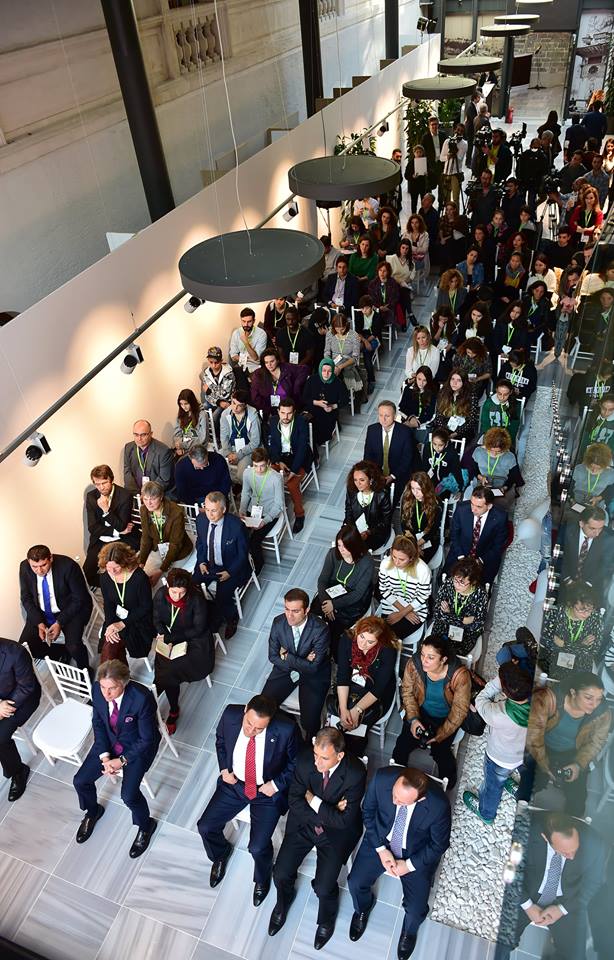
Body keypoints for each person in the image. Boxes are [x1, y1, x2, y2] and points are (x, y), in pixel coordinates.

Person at [197, 695, 301, 904]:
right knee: (205, 826)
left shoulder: (286, 730)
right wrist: (224, 769)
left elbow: (297, 763)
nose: (251, 731)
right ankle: (220, 853)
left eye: (259, 729)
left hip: (266, 792)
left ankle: (262, 878)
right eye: (249, 724)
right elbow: (221, 741)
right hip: (234, 784)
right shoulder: (230, 714)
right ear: (245, 710)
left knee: (257, 847)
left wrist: (276, 785)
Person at [269, 727, 366, 949]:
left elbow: (343, 821)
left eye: (324, 758)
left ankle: (326, 919)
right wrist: (329, 811)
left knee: (324, 886)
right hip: (304, 824)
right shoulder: (305, 761)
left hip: (336, 833)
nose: (317, 763)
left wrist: (313, 800)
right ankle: (284, 900)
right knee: (280, 872)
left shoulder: (355, 773)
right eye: (315, 755)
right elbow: (294, 800)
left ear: (339, 756)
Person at [347, 765, 451, 960]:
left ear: (420, 799)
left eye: (401, 801)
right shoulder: (382, 778)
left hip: (415, 854)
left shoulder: (438, 806)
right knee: (355, 882)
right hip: (380, 841)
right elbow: (368, 811)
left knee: (416, 909)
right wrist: (380, 849)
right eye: (394, 795)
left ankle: (408, 932)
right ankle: (363, 908)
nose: (394, 801)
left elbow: (439, 845)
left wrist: (409, 865)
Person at [72, 659, 160, 857]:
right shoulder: (97, 690)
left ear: (124, 683)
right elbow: (98, 723)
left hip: (136, 748)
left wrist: (121, 760)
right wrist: (104, 756)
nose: (106, 693)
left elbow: (147, 739)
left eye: (111, 688)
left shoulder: (141, 698)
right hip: (108, 743)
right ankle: (93, 811)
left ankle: (145, 825)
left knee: (129, 795)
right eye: (103, 687)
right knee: (80, 781)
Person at [495, 812, 605, 960]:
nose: (572, 856)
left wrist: (562, 909)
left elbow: (593, 883)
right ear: (545, 838)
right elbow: (510, 871)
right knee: (500, 945)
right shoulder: (525, 831)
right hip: (525, 894)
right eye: (565, 852)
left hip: (567, 901)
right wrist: (527, 905)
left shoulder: (595, 844)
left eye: (575, 849)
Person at [522, 671, 611, 816]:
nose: (594, 705)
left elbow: (596, 742)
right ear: (573, 693)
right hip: (542, 748)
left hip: (573, 753)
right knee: (527, 788)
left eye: (599, 699)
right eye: (588, 698)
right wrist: (544, 764)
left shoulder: (602, 713)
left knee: (577, 803)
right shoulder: (549, 699)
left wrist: (578, 764)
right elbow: (534, 735)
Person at [392, 635, 470, 788]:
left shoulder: (459, 675)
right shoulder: (414, 664)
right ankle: (397, 781)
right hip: (420, 711)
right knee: (401, 745)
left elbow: (459, 710)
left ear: (443, 659)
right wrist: (414, 719)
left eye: (431, 657)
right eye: (422, 654)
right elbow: (407, 692)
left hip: (446, 718)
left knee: (441, 753)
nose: (424, 660)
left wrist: (440, 735)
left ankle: (446, 786)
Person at [462, 662, 531, 825]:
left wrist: (496, 683)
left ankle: (486, 813)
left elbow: (480, 701)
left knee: (492, 787)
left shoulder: (499, 713)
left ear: (505, 691)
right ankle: (520, 792)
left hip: (500, 758)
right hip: (525, 753)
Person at [261, 588, 330, 742]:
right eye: (287, 609)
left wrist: (286, 655)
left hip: (314, 675)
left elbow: (313, 667)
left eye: (295, 611)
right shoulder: (278, 623)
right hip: (285, 670)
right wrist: (303, 660)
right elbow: (273, 656)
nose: (289, 615)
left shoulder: (320, 629)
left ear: (306, 610)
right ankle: (284, 730)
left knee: (309, 720)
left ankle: (310, 743)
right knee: (264, 707)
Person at [153, 568, 214, 735]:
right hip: (171, 638)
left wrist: (171, 637)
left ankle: (167, 705)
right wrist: (162, 635)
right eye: (174, 592)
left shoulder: (196, 599)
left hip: (195, 641)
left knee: (170, 670)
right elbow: (156, 620)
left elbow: (198, 629)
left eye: (181, 593)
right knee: (166, 667)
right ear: (168, 587)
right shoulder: (160, 595)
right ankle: (163, 699)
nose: (177, 597)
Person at [329, 616, 400, 753]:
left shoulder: (387, 650)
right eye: (361, 637)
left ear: (379, 641)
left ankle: (353, 751)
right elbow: (343, 675)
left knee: (359, 725)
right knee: (340, 714)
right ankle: (337, 750)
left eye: (370, 641)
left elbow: (378, 688)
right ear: (357, 631)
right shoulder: (347, 639)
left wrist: (357, 710)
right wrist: (343, 709)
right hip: (352, 683)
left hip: (376, 691)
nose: (363, 644)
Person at [19, 544, 93, 668]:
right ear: (28, 562)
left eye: (43, 565)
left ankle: (85, 669)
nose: (39, 571)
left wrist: (59, 622)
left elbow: (79, 599)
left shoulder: (68, 566)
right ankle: (61, 654)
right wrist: (39, 622)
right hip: (41, 611)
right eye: (34, 567)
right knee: (25, 647)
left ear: (51, 558)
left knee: (74, 646)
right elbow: (26, 598)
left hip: (70, 608)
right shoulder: (24, 567)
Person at [194, 491, 250, 636]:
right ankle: (204, 615)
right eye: (207, 509)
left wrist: (230, 572)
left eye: (213, 510)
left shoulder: (236, 526)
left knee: (222, 597)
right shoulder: (201, 520)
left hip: (230, 567)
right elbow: (200, 543)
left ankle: (231, 617)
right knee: (192, 587)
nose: (209, 514)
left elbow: (243, 554)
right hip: (207, 564)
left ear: (223, 509)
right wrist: (201, 561)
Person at [312, 526, 374, 653]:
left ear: (354, 545)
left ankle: (333, 653)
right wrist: (326, 603)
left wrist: (334, 605)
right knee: (314, 617)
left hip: (353, 601)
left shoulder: (367, 562)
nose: (341, 550)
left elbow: (358, 593)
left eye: (345, 546)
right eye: (339, 545)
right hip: (331, 594)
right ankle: (316, 647)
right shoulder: (333, 554)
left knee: (336, 628)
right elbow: (322, 580)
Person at [83, 464, 139, 587]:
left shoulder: (125, 495)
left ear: (111, 479)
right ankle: (112, 585)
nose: (101, 487)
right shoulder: (91, 496)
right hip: (101, 539)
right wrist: (116, 531)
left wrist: (106, 510)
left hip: (123, 539)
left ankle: (122, 584)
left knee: (124, 568)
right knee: (87, 575)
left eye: (104, 483)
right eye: (97, 484)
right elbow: (92, 528)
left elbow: (121, 525)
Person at [98, 542, 153, 663]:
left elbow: (146, 607)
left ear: (125, 563)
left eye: (116, 567)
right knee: (110, 643)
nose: (112, 571)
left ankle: (114, 673)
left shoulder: (139, 577)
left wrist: (122, 624)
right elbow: (108, 603)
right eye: (108, 567)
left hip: (137, 619)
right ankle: (117, 672)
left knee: (110, 648)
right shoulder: (105, 577)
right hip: (116, 617)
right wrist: (110, 625)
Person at [0, 638, 41, 802]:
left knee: (0, 738)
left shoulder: (15, 652)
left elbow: (26, 687)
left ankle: (18, 771)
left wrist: (4, 709)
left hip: (22, 699)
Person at [445, 485, 508, 585]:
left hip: (484, 557)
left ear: (489, 506)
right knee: (446, 580)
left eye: (478, 507)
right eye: (472, 504)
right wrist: (461, 557)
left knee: (480, 586)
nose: (473, 509)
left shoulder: (500, 517)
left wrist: (480, 561)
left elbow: (498, 545)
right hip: (460, 552)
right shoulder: (462, 509)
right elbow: (454, 534)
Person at [541, 580, 604, 680]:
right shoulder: (556, 612)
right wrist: (581, 645)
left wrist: (563, 644)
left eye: (590, 609)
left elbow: (593, 650)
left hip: (580, 665)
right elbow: (545, 641)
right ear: (570, 603)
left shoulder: (595, 617)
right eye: (581, 610)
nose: (587, 614)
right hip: (553, 660)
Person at [267, 397, 313, 534]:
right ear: (278, 411)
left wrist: (293, 470)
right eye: (283, 413)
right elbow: (272, 445)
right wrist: (277, 461)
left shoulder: (301, 422)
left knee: (292, 485)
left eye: (289, 413)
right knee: (268, 478)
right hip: (281, 458)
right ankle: (272, 510)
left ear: (294, 412)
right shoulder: (273, 421)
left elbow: (302, 449)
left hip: (298, 458)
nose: (285, 417)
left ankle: (299, 514)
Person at [138, 481, 196, 588]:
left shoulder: (176, 512)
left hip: (179, 552)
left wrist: (161, 570)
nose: (148, 503)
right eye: (145, 499)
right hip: (159, 548)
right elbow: (146, 538)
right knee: (145, 576)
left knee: (165, 581)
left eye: (152, 499)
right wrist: (141, 562)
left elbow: (175, 544)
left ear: (161, 497)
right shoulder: (144, 510)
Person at [376, 535, 431, 642]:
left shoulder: (423, 570)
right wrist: (403, 611)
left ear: (411, 558)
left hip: (415, 609)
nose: (396, 562)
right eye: (394, 557)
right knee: (378, 634)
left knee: (389, 638)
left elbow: (422, 596)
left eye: (401, 559)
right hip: (392, 605)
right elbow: (384, 590)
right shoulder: (385, 564)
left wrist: (401, 614)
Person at [239, 446, 284, 574]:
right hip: (252, 510)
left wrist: (265, 521)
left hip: (270, 513)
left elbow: (279, 504)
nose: (258, 470)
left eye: (262, 466)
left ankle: (258, 565)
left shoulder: (276, 478)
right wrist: (242, 509)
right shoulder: (248, 473)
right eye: (255, 466)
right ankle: (242, 562)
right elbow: (245, 493)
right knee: (239, 534)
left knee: (254, 541)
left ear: (268, 463)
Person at [431, 557, 489, 656]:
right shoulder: (448, 584)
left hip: (466, 634)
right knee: (434, 648)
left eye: (462, 583)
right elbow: (437, 614)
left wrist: (448, 614)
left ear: (473, 582)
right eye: (455, 580)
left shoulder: (480, 595)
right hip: (444, 628)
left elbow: (477, 625)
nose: (456, 585)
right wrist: (464, 620)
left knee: (452, 655)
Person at [364, 400, 416, 508]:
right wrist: (374, 475)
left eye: (387, 416)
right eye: (380, 415)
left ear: (394, 416)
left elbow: (407, 459)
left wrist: (392, 476)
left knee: (392, 503)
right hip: (377, 474)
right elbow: (368, 456)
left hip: (399, 474)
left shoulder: (405, 432)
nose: (383, 419)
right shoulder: (372, 430)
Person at [560, 506, 614, 604]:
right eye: (593, 528)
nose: (597, 534)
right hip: (565, 580)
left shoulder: (610, 539)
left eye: (600, 528)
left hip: (592, 584)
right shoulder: (567, 531)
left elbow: (606, 567)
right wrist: (567, 580)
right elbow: (561, 558)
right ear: (581, 523)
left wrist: (586, 585)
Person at [344, 459, 392, 552]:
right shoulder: (351, 490)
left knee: (356, 549)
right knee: (344, 543)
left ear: (371, 480)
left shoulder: (382, 495)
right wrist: (353, 531)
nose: (358, 484)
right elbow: (348, 512)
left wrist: (368, 532)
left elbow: (385, 522)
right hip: (354, 529)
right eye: (355, 480)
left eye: (362, 480)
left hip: (375, 533)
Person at [469, 427, 522, 510]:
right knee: (479, 504)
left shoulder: (510, 457)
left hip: (501, 487)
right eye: (491, 450)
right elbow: (473, 469)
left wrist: (505, 488)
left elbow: (513, 477)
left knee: (498, 507)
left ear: (504, 449)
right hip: (482, 485)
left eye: (498, 452)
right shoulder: (478, 452)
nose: (494, 454)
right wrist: (480, 477)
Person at [250, 347, 306, 421]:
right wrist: (267, 411)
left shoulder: (287, 368)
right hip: (268, 410)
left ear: (277, 360)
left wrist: (296, 386)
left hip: (287, 409)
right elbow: (255, 397)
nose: (269, 365)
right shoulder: (259, 374)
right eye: (266, 362)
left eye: (272, 361)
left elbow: (304, 369)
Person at [219, 390, 262, 484]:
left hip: (248, 450)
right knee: (215, 465)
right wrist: (228, 453)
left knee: (241, 475)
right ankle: (227, 487)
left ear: (245, 405)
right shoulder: (225, 414)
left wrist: (238, 455)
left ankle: (246, 488)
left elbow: (255, 442)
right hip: (231, 448)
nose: (235, 408)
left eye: (239, 405)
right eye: (233, 403)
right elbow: (224, 437)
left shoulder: (252, 414)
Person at [400, 471, 441, 565]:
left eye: (419, 489)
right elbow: (404, 524)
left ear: (426, 488)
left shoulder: (436, 504)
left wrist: (417, 544)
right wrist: (413, 544)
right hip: (410, 538)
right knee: (402, 558)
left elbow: (433, 530)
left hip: (428, 540)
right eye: (413, 488)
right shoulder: (407, 499)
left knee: (415, 562)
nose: (415, 492)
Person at [123, 420, 174, 494]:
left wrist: (147, 495)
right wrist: (136, 494)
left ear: (151, 434)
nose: (139, 438)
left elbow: (164, 480)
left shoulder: (163, 451)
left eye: (143, 435)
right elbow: (127, 473)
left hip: (156, 494)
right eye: (136, 435)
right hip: (136, 493)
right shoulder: (128, 447)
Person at [324, 311, 366, 401]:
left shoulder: (353, 335)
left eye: (342, 329)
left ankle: (339, 397)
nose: (339, 331)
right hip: (333, 362)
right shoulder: (329, 334)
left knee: (337, 375)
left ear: (346, 325)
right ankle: (332, 397)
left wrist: (340, 367)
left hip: (348, 362)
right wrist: (330, 364)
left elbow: (355, 357)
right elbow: (327, 352)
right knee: (325, 373)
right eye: (337, 328)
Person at [433, 370, 479, 442]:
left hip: (463, 430)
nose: (454, 383)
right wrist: (445, 431)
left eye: (459, 380)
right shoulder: (443, 393)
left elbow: (471, 421)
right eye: (452, 379)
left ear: (464, 382)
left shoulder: (471, 396)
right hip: (444, 428)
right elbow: (438, 417)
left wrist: (455, 433)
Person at [419, 427, 465, 498]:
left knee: (436, 498)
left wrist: (460, 489)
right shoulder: (428, 447)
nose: (436, 448)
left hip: (444, 482)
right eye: (434, 444)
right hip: (430, 479)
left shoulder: (452, 453)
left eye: (440, 445)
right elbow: (424, 466)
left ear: (446, 443)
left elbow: (456, 471)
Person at [199, 346, 236, 432]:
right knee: (199, 410)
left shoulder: (228, 373)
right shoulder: (206, 373)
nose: (214, 365)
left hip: (227, 402)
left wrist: (209, 391)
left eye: (216, 362)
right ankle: (203, 435)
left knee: (214, 417)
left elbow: (225, 395)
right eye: (211, 362)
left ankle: (217, 437)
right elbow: (208, 396)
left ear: (221, 361)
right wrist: (217, 400)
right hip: (215, 402)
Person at [399, 366, 438, 441]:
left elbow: (431, 414)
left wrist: (418, 422)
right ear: (416, 378)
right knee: (404, 439)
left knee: (421, 441)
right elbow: (401, 407)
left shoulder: (432, 393)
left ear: (428, 381)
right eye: (419, 379)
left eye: (424, 380)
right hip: (408, 421)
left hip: (424, 424)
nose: (421, 383)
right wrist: (410, 418)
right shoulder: (408, 389)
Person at [571, 441, 614, 510]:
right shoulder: (579, 469)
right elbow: (569, 487)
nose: (594, 470)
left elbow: (611, 490)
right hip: (575, 501)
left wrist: (598, 498)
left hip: (597, 504)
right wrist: (571, 500)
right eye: (591, 466)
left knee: (602, 517)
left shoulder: (610, 474)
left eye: (598, 468)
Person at [228, 307, 268, 382]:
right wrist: (247, 359)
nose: (246, 324)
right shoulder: (236, 333)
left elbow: (256, 358)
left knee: (257, 380)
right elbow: (233, 356)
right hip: (241, 366)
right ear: (241, 320)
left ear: (254, 321)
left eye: (249, 322)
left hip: (256, 367)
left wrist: (246, 342)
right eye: (243, 321)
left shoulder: (261, 334)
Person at [479, 379, 521, 447]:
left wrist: (506, 440)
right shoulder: (489, 403)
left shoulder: (515, 405)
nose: (502, 397)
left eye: (505, 394)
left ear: (510, 392)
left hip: (506, 438)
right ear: (496, 390)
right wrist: (491, 438)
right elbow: (485, 423)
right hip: (489, 436)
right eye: (499, 394)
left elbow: (514, 426)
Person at [353, 295, 382, 391]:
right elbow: (357, 331)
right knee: (357, 350)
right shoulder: (359, 315)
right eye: (362, 308)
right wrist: (365, 341)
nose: (364, 311)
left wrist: (367, 341)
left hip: (373, 338)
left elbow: (375, 333)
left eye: (366, 308)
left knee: (367, 356)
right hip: (361, 337)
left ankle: (371, 380)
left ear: (371, 307)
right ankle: (355, 376)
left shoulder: (377, 316)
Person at [275, 305, 315, 369]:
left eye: (293, 319)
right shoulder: (280, 333)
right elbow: (280, 353)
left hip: (302, 367)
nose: (290, 322)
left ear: (298, 318)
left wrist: (297, 368)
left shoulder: (307, 334)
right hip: (286, 366)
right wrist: (287, 366)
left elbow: (309, 355)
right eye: (288, 319)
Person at [173, 388, 208, 456]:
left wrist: (183, 445)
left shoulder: (202, 414)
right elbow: (177, 433)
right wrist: (178, 446)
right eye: (181, 404)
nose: (183, 407)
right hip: (183, 447)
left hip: (198, 448)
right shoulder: (181, 414)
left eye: (186, 404)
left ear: (192, 402)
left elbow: (202, 439)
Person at [368, 260, 400, 330]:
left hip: (389, 308)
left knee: (388, 315)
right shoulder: (372, 283)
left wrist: (388, 306)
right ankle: (377, 331)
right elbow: (371, 298)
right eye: (380, 270)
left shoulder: (393, 282)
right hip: (377, 309)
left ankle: (379, 330)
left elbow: (396, 297)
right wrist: (379, 307)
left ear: (388, 272)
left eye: (384, 271)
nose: (382, 273)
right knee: (375, 315)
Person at [440, 123, 467, 205]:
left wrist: (455, 149)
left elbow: (459, 158)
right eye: (458, 130)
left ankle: (456, 213)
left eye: (461, 131)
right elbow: (441, 158)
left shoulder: (464, 144)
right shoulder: (447, 141)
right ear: (454, 130)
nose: (459, 132)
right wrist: (448, 156)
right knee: (446, 198)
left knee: (455, 198)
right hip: (446, 172)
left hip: (456, 173)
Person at [421, 116, 446, 194]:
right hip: (430, 165)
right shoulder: (425, 137)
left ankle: (441, 201)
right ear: (429, 126)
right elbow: (422, 153)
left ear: (438, 125)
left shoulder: (443, 135)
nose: (434, 126)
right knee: (429, 187)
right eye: (432, 124)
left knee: (442, 187)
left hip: (441, 164)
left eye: (436, 124)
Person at [404, 214, 430, 281]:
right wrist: (416, 249)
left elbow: (424, 249)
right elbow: (402, 246)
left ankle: (408, 279)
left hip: (421, 258)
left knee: (409, 264)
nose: (414, 225)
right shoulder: (406, 233)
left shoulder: (425, 234)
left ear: (420, 223)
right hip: (408, 256)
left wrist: (410, 248)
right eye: (412, 223)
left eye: (416, 223)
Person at [404, 144, 428, 213]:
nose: (419, 154)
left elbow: (431, 172)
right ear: (414, 153)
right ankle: (414, 215)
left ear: (422, 153)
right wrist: (412, 176)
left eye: (420, 152)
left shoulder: (425, 162)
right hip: (414, 186)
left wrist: (427, 174)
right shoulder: (410, 163)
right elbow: (406, 175)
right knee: (414, 203)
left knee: (424, 202)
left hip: (422, 185)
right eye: (417, 152)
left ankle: (423, 215)